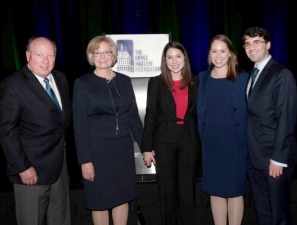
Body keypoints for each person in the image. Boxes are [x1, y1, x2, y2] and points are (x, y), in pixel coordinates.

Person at [0, 37, 72, 225]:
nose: (45, 60)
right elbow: (7, 131)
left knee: (61, 220)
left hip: (60, 170)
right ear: (28, 56)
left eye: (50, 55)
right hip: (31, 172)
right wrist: (22, 167)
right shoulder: (13, 85)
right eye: (40, 55)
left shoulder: (61, 79)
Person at [73, 36, 143, 225]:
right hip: (97, 153)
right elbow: (79, 126)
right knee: (99, 201)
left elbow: (133, 117)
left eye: (107, 52)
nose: (102, 56)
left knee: (122, 196)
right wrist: (85, 160)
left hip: (122, 150)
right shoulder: (82, 84)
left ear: (114, 55)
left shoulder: (125, 81)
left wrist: (146, 146)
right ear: (91, 56)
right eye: (97, 52)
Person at [242, 26, 297, 225]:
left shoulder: (282, 74)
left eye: (257, 42)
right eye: (247, 44)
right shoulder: (251, 75)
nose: (251, 47)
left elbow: (286, 120)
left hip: (274, 159)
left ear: (268, 45)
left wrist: (279, 159)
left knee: (279, 216)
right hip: (255, 159)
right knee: (263, 213)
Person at [142, 41, 200, 225]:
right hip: (164, 140)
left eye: (178, 56)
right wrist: (147, 147)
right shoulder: (156, 82)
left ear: (185, 59)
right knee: (167, 191)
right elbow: (150, 115)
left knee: (187, 190)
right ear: (164, 61)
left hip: (189, 140)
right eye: (169, 57)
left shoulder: (196, 81)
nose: (174, 61)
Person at [197, 34, 248, 225]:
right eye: (214, 51)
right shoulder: (202, 78)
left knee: (234, 191)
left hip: (235, 145)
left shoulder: (243, 78)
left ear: (230, 54)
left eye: (223, 51)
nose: (218, 56)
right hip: (211, 144)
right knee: (215, 190)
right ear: (209, 54)